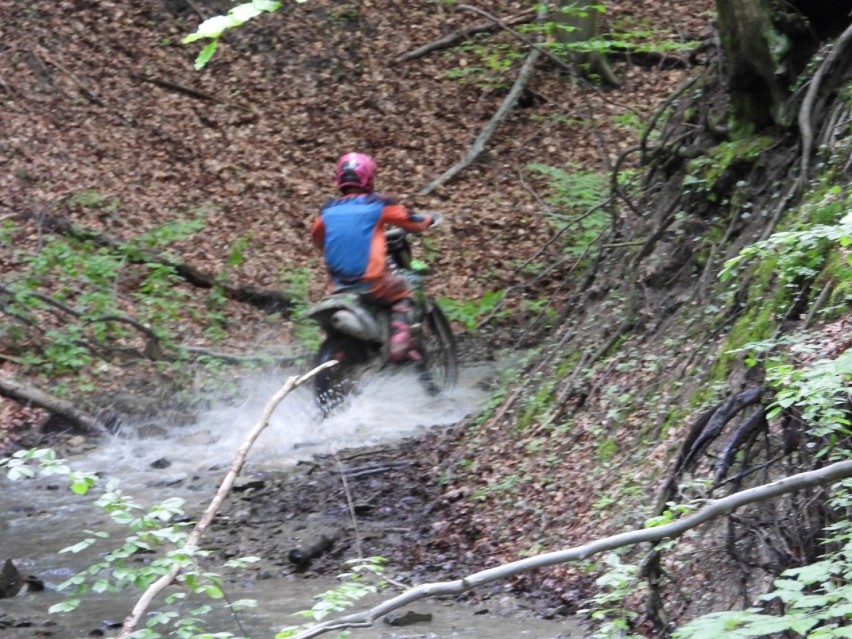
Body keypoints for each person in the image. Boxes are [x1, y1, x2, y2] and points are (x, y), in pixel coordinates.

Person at [311, 152, 435, 362]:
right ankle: (399, 342)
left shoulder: (327, 210)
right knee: (406, 291)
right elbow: (412, 222)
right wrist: (428, 219)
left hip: (338, 286)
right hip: (373, 283)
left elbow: (317, 238)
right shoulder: (378, 203)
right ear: (368, 177)